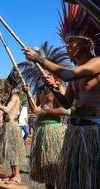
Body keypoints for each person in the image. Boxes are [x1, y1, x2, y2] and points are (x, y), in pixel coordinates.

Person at [23, 0, 100, 188]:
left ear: (86, 42)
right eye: (66, 42)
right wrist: (53, 88)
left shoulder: (97, 62)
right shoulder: (79, 70)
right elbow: (67, 103)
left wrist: (39, 59)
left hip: (94, 131)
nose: (68, 46)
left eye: (72, 41)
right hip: (76, 131)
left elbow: (66, 74)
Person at [19, 42, 72, 189]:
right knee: (46, 170)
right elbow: (35, 109)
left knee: (56, 168)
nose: (44, 75)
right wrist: (27, 94)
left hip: (54, 129)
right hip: (41, 130)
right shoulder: (40, 90)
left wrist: (45, 112)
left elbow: (66, 110)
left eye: (47, 72)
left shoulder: (60, 86)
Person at [0, 71, 26, 184]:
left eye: (6, 84)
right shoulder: (10, 96)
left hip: (12, 126)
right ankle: (13, 174)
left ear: (10, 85)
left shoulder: (15, 96)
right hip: (7, 126)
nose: (4, 86)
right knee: (9, 150)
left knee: (14, 150)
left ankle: (17, 176)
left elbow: (7, 109)